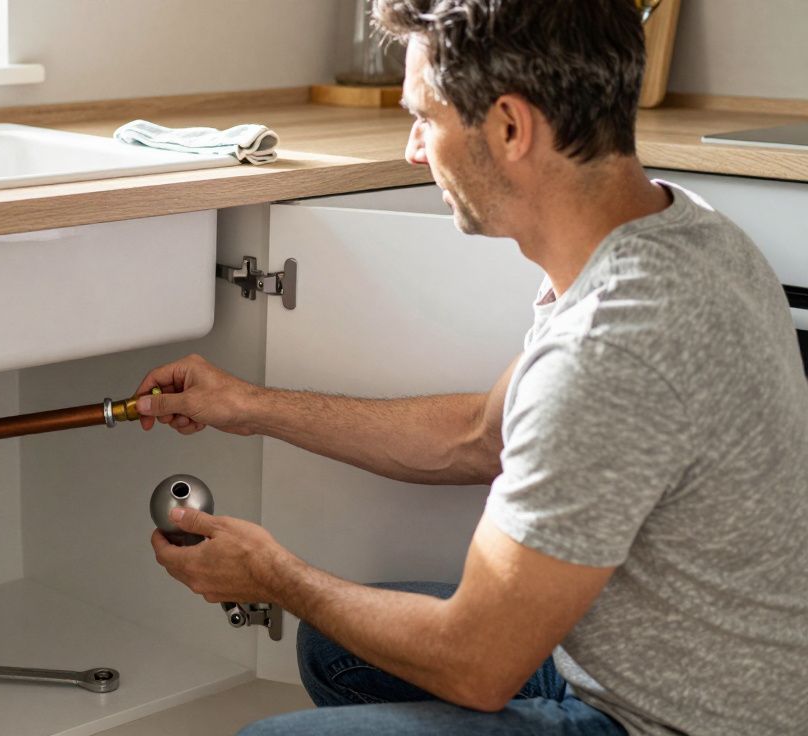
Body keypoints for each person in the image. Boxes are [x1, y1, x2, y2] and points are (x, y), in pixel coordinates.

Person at [133, 0, 808, 733]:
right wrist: (249, 404)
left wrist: (275, 577)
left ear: (511, 128)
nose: (414, 151)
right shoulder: (682, 232)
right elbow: (479, 436)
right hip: (668, 668)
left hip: (675, 724)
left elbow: (474, 666)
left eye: (425, 116)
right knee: (338, 649)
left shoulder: (611, 346)